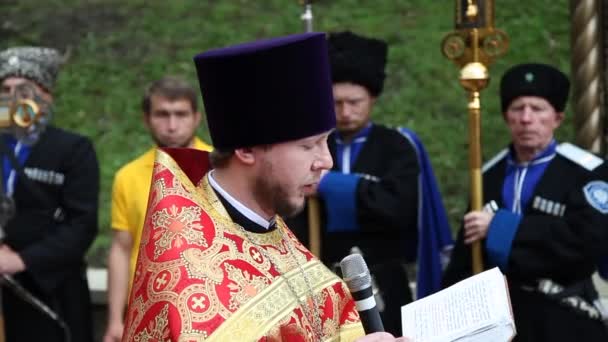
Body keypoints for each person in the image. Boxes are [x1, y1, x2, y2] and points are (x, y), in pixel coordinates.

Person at [121, 32, 409, 341]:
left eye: (326, 141)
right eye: (308, 146)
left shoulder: (271, 228)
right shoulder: (187, 273)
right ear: (245, 150)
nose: (326, 162)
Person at [287, 31, 453, 336]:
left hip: (385, 280)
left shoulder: (397, 146)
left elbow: (398, 207)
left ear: (372, 99)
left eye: (355, 102)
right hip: (323, 279)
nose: (346, 112)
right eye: (337, 103)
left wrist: (331, 185)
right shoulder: (313, 147)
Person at [442, 63, 608, 341]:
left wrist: (501, 228)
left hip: (565, 316)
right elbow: (466, 255)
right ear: (507, 116)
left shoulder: (586, 171)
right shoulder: (487, 176)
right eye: (518, 108)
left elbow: (585, 242)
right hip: (505, 320)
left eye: (537, 108)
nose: (526, 118)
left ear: (557, 117)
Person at [0, 47, 99, 341]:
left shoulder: (73, 149)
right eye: (5, 89)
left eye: (25, 88)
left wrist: (22, 260)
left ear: (46, 95)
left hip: (50, 292)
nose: (14, 97)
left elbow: (82, 225)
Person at [103, 76, 212, 342]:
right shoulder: (127, 177)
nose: (172, 126)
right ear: (146, 119)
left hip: (211, 306)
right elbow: (121, 248)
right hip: (148, 312)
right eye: (162, 115)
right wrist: (115, 320)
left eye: (181, 115)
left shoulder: (222, 168)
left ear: (197, 118)